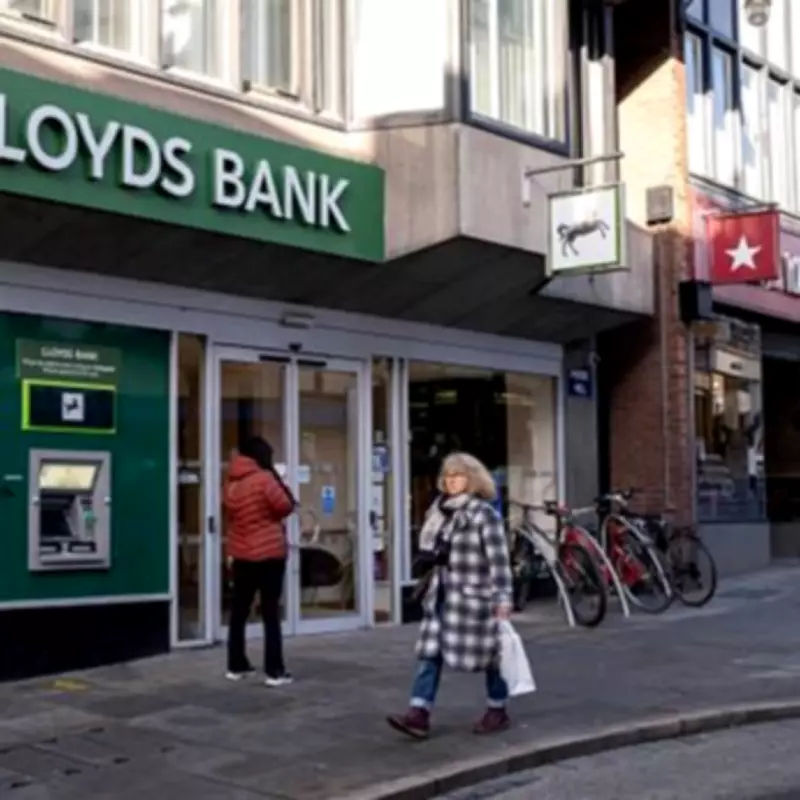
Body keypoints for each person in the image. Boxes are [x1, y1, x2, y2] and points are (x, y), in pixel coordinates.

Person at [387, 452, 514, 739]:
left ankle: (497, 708)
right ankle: (418, 714)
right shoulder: (439, 511)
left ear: (472, 479)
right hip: (441, 592)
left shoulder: (483, 514)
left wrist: (502, 597)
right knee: (430, 653)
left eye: (458, 475)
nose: (451, 481)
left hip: (474, 597)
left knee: (491, 654)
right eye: (447, 476)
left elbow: (498, 559)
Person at [224, 435, 296, 687]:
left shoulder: (231, 483)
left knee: (239, 612)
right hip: (268, 555)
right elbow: (285, 506)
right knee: (270, 612)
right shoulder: (264, 479)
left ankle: (236, 665)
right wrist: (277, 478)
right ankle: (274, 670)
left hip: (241, 554)